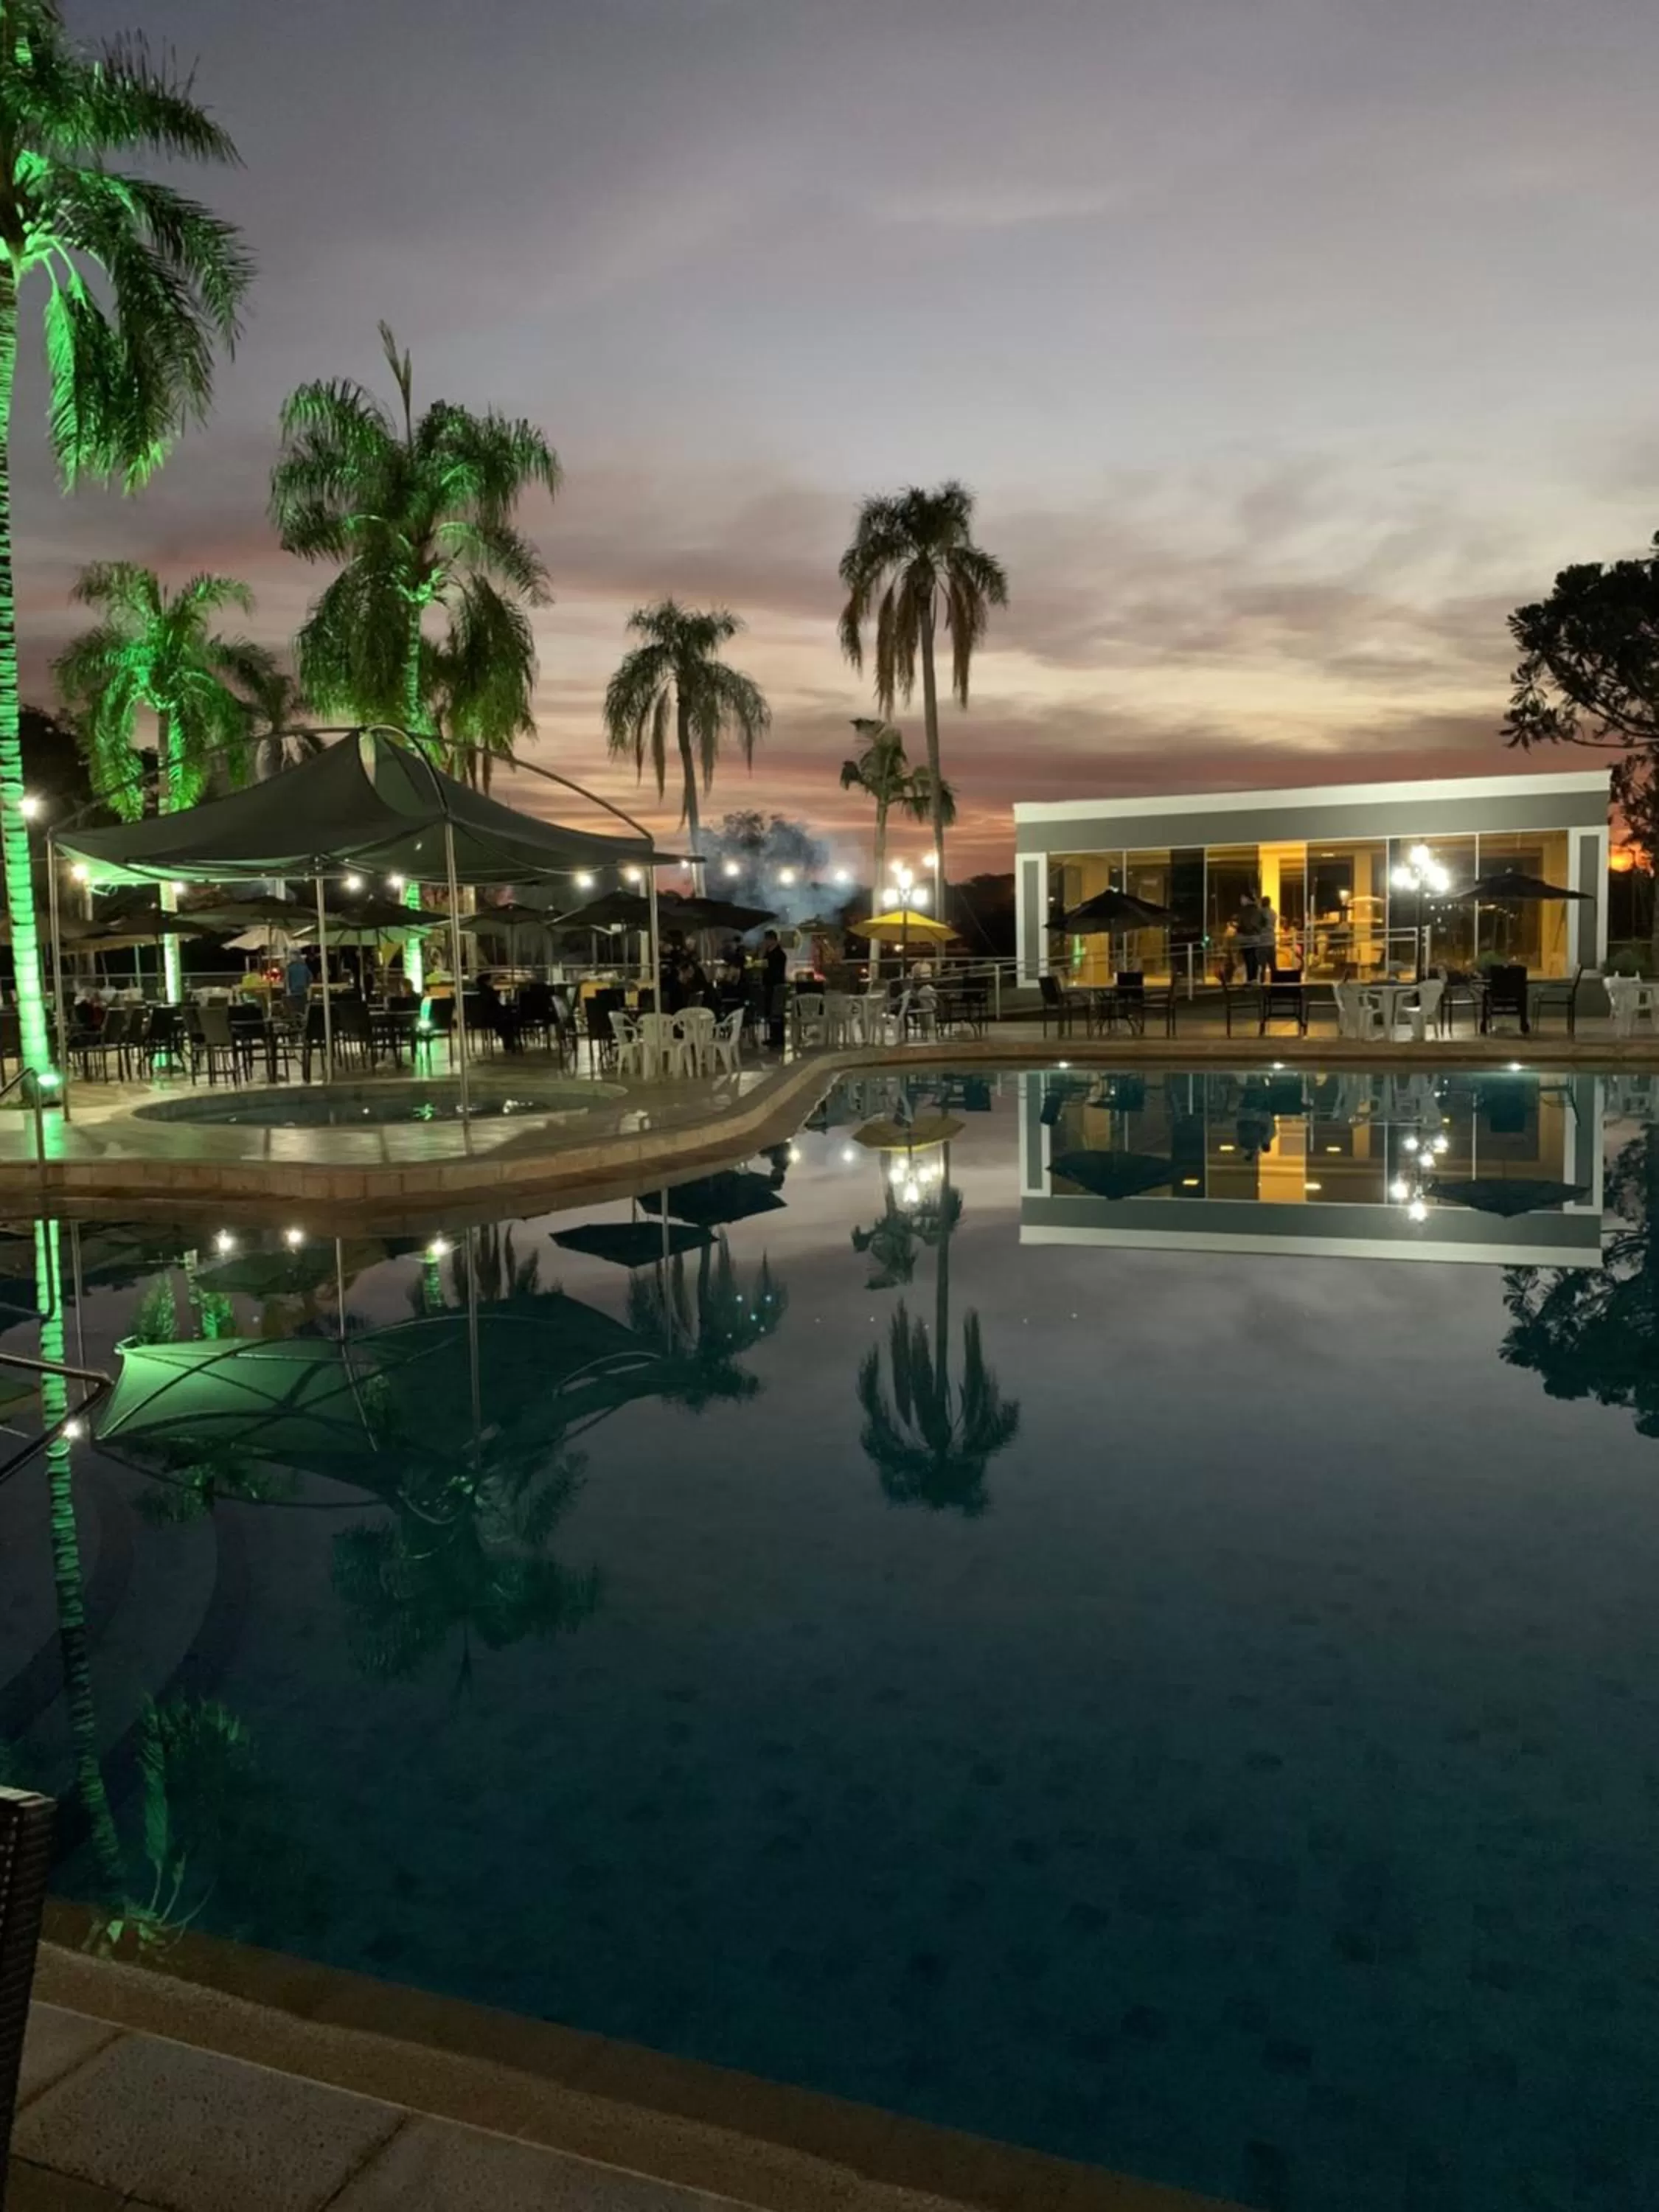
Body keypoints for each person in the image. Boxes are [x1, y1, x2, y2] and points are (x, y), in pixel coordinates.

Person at [475, 972, 521, 1052]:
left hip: (481, 1017)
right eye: (491, 980)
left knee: (505, 1020)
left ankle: (508, 1042)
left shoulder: (479, 991)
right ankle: (511, 1042)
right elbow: (495, 1006)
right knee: (509, 1020)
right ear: (487, 981)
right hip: (492, 1018)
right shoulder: (489, 992)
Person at [760, 928, 787, 1048]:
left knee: (777, 1011)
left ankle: (778, 1038)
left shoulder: (779, 954)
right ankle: (773, 1036)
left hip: (776, 986)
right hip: (769, 985)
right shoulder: (768, 953)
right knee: (771, 1012)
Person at [284, 949, 313, 1021]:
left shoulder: (290, 968)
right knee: (301, 1012)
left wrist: (287, 989)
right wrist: (307, 986)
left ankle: (295, 1025)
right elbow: (310, 978)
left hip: (293, 993)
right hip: (303, 993)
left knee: (293, 1013)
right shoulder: (304, 966)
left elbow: (286, 980)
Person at [1256, 895, 1279, 981]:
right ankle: (1276, 983)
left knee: (1262, 967)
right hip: (1271, 941)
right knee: (1273, 965)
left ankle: (1262, 985)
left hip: (1262, 943)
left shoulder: (1259, 913)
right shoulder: (1273, 913)